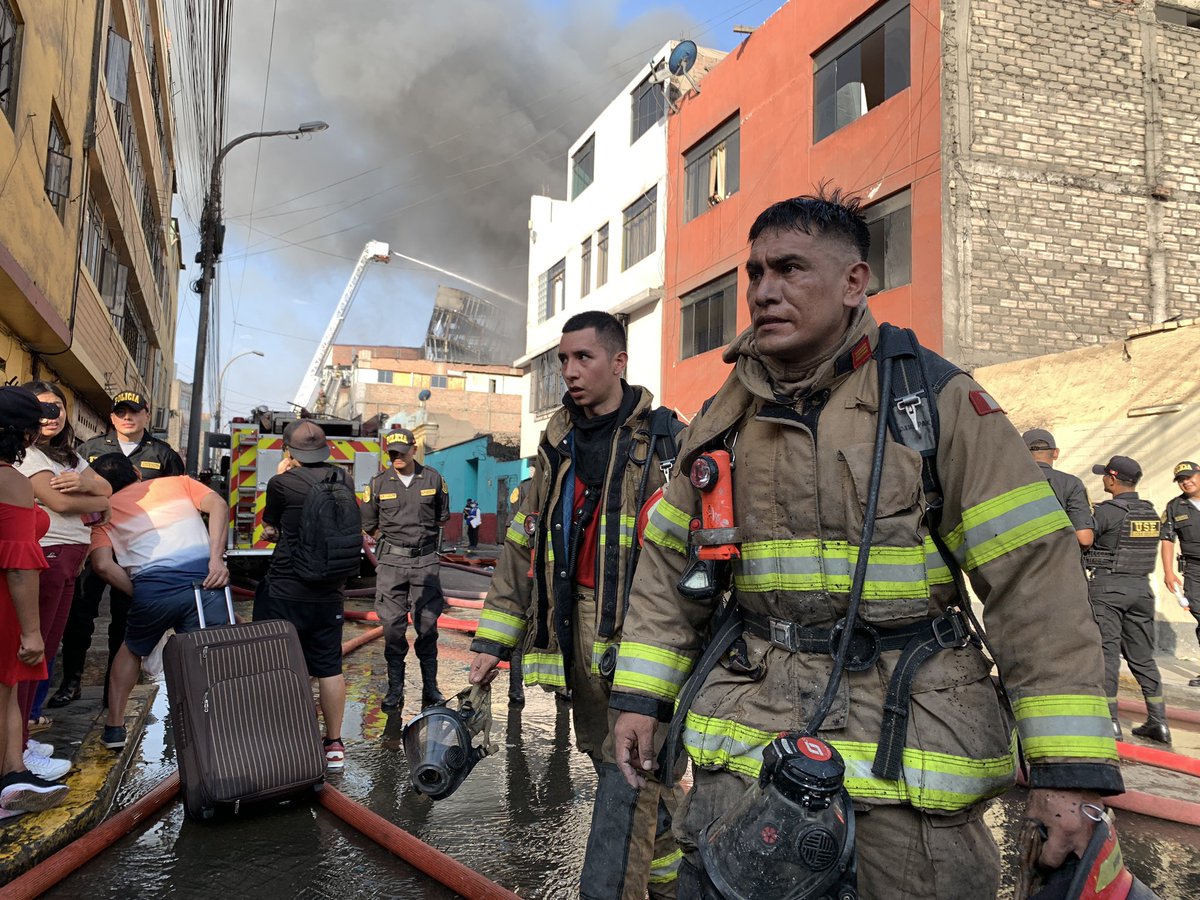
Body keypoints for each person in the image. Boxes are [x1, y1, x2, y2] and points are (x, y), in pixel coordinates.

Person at [609, 192, 1123, 899]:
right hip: (752, 737)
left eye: (790, 269)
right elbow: (667, 572)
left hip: (909, 750)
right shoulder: (724, 419)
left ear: (856, 282)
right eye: (755, 274)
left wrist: (1067, 774)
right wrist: (642, 697)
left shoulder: (936, 401)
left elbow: (1034, 582)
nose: (765, 291)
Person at [468, 311, 686, 900]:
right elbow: (522, 545)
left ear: (619, 362)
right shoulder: (556, 443)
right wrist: (492, 641)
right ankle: (671, 881)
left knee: (628, 773)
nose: (568, 371)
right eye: (563, 360)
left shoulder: (666, 442)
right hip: (575, 626)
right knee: (614, 764)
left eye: (582, 358)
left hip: (644, 632)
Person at [50, 390, 184, 709]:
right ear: (112, 417)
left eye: (134, 412)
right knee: (79, 614)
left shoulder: (163, 454)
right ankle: (71, 682)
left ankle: (115, 689)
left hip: (139, 546)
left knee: (126, 618)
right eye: (121, 412)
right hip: (92, 538)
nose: (127, 417)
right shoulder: (89, 449)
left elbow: (178, 500)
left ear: (146, 415)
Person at [86, 453, 229, 750]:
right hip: (205, 582)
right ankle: (214, 731)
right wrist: (216, 560)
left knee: (132, 649)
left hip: (153, 590)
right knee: (211, 657)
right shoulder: (179, 484)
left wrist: (140, 590)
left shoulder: (104, 514)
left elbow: (102, 565)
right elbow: (218, 505)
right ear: (137, 472)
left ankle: (113, 728)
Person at [15, 382, 111, 781]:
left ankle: (20, 736)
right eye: (40, 408)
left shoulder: (68, 454)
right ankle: (15, 751)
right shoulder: (25, 453)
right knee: (31, 653)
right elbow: (59, 503)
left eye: (57, 407)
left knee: (48, 650)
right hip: (47, 555)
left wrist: (89, 488)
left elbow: (106, 490)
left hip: (71, 558)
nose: (50, 416)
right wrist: (97, 498)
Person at [255, 420, 354, 769]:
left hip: (286, 588)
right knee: (329, 667)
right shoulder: (344, 479)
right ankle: (335, 744)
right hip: (329, 591)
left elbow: (270, 527)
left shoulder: (280, 484)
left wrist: (283, 472)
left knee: (277, 664)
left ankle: (283, 738)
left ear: (288, 450)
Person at [0, 386, 71, 818]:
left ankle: (12, 775)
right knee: (4, 689)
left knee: (6, 693)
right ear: (26, 435)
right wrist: (31, 632)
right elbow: (19, 564)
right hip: (5, 601)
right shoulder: (9, 478)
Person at [362, 428, 450, 712]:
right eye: (392, 453)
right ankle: (395, 689)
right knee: (392, 629)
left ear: (414, 449)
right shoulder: (378, 484)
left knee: (428, 627)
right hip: (391, 565)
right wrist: (394, 546)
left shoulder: (433, 479)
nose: (397, 457)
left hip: (425, 563)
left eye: (402, 451)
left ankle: (430, 688)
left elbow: (440, 518)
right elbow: (369, 523)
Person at [1085, 455, 1171, 743]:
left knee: (1106, 656)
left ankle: (1110, 722)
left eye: (1104, 476)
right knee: (1142, 657)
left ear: (1112, 478)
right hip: (1141, 591)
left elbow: (1084, 539)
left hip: (1109, 589)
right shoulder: (1150, 512)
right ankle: (1159, 722)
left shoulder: (1107, 512)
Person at [1161, 460, 1200, 687]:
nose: (1186, 482)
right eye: (1181, 480)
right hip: (1194, 569)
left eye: (1190, 476)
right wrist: (1168, 572)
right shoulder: (1175, 507)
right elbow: (1167, 539)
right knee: (1197, 610)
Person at [1023, 428, 1094, 548]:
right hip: (1060, 562)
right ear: (1055, 453)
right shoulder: (1071, 483)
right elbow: (1084, 539)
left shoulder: (1006, 483)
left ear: (1021, 453)